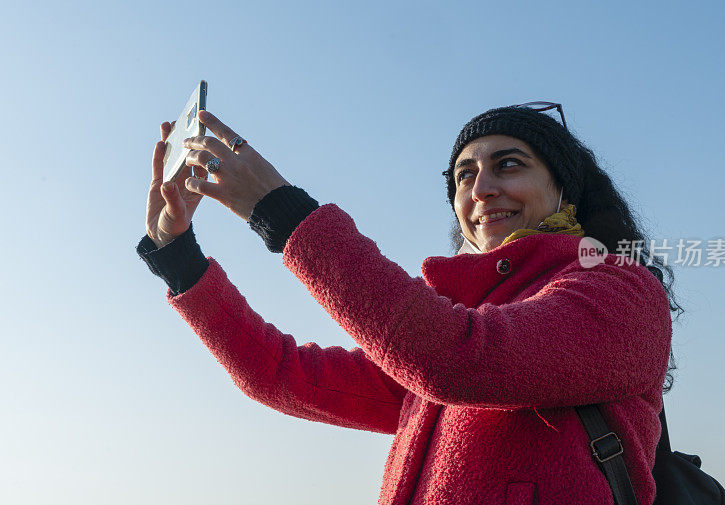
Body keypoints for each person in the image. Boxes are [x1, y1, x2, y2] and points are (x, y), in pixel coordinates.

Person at [137, 104, 679, 505]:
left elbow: (460, 358)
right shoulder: (443, 333)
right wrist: (179, 258)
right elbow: (281, 374)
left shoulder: (619, 290)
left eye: (509, 165)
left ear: (565, 191)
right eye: (464, 175)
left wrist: (279, 210)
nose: (482, 188)